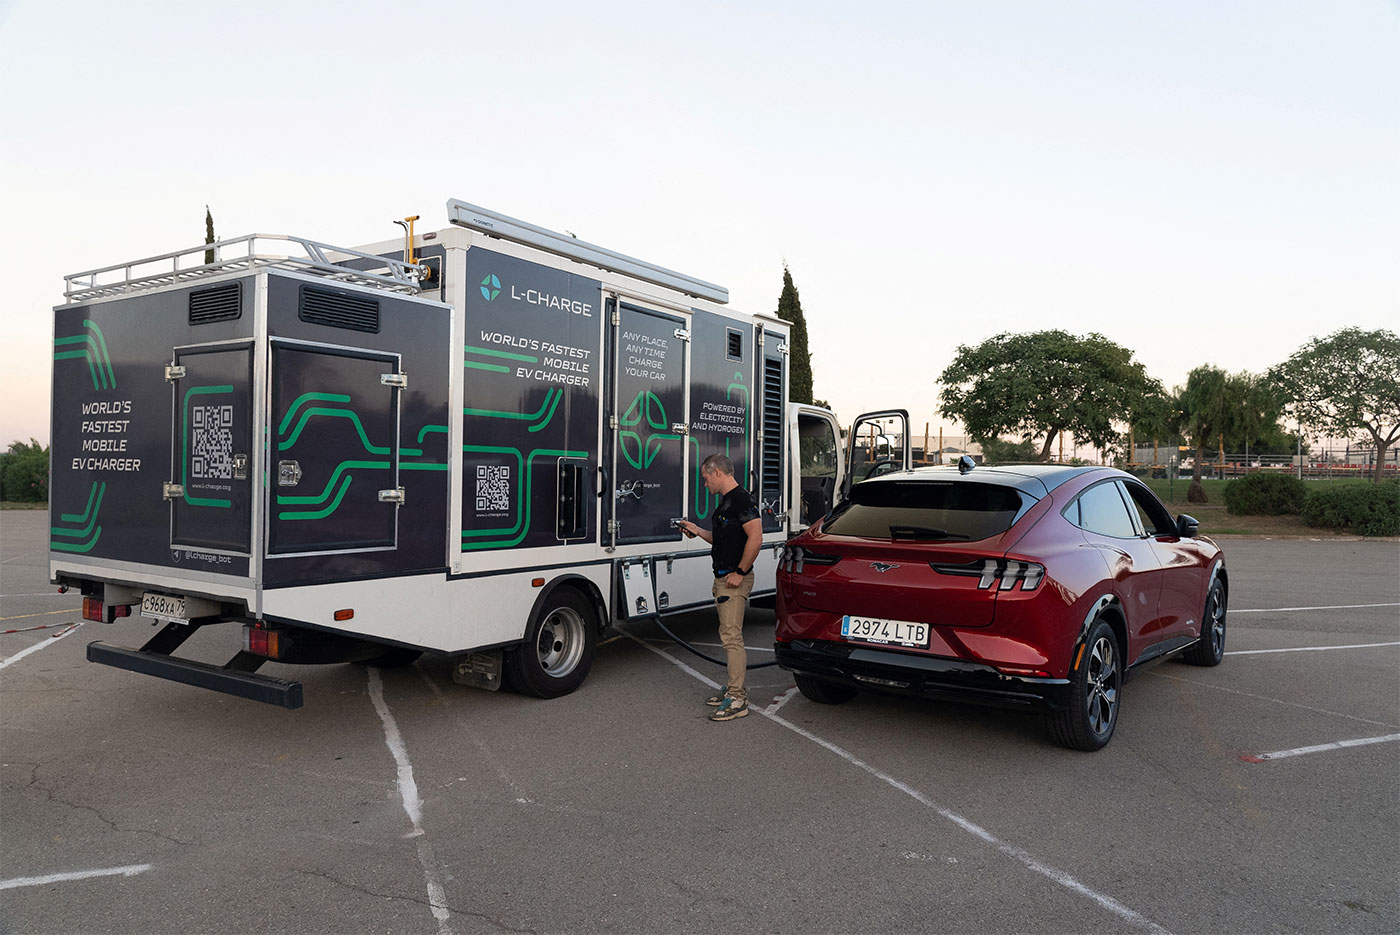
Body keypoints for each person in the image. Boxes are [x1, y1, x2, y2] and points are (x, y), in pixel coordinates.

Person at [678, 454, 763, 722]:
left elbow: (756, 538)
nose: (705, 485)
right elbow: (722, 539)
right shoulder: (726, 504)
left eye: (705, 479)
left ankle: (737, 699)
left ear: (717, 473)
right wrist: (697, 531)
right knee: (728, 635)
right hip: (724, 577)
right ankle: (733, 688)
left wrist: (740, 571)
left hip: (733, 579)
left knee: (731, 637)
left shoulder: (741, 500)